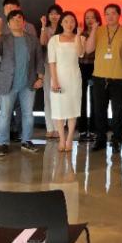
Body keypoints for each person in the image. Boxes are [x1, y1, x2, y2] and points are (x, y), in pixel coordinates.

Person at [0, 10, 44, 156]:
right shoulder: (3, 38)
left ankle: (27, 141)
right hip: (8, 83)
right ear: (8, 24)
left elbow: (39, 59)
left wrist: (41, 78)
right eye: (13, 19)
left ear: (24, 22)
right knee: (5, 115)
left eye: (19, 18)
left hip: (28, 83)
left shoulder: (33, 39)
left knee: (28, 114)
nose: (17, 21)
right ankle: (3, 143)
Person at [85, 4, 122, 152]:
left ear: (119, 15)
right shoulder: (98, 30)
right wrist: (93, 30)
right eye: (107, 14)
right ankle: (101, 139)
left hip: (119, 77)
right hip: (99, 76)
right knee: (99, 110)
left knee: (117, 111)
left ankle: (117, 139)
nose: (110, 16)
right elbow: (88, 49)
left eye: (113, 13)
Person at [1, 0, 37, 143]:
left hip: (27, 76)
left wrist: (39, 76)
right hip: (8, 75)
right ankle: (5, 139)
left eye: (13, 7)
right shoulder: (1, 28)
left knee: (25, 110)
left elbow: (36, 54)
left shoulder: (29, 29)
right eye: (7, 8)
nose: (10, 10)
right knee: (6, 111)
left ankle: (23, 135)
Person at [48, 11, 85, 152]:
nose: (69, 24)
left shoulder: (80, 38)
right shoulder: (54, 40)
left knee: (72, 109)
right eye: (66, 21)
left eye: (72, 21)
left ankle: (69, 139)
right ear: (61, 23)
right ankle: (61, 139)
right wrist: (54, 81)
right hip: (58, 77)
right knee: (58, 109)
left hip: (74, 77)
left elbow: (80, 53)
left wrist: (79, 35)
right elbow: (52, 62)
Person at [40, 4, 63, 139]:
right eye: (51, 13)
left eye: (57, 13)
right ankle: (50, 127)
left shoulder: (64, 28)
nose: (54, 16)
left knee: (60, 96)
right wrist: (43, 26)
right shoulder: (46, 29)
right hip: (48, 65)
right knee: (48, 97)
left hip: (62, 66)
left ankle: (59, 128)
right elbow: (43, 42)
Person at [78, 8, 101, 142]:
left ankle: (93, 129)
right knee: (81, 99)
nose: (89, 20)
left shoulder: (101, 32)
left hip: (96, 67)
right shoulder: (81, 33)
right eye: (87, 17)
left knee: (95, 100)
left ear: (97, 19)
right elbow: (81, 52)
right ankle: (82, 130)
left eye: (92, 17)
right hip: (81, 67)